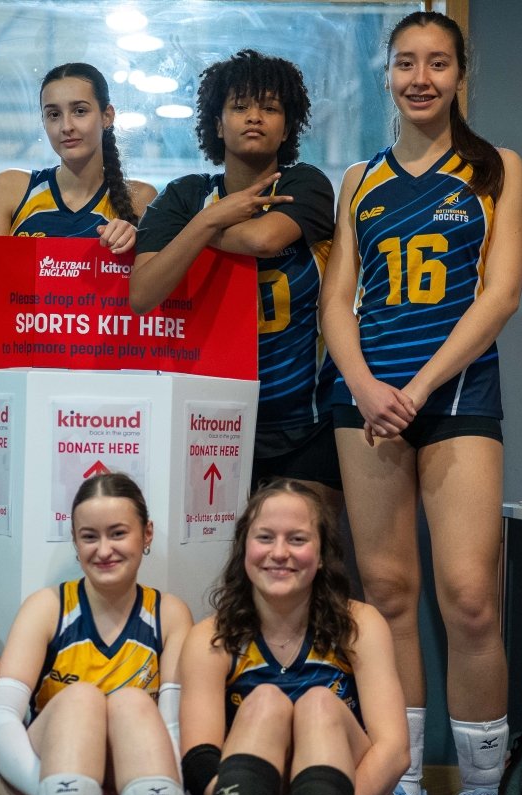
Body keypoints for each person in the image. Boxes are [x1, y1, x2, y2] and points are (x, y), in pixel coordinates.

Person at [317, 12, 522, 795]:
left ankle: (478, 788)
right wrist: (368, 388)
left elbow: (500, 295)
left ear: (459, 73)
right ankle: (400, 778)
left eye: (438, 63)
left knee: (470, 597)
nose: (421, 78)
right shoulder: (358, 179)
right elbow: (339, 302)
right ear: (387, 75)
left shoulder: (497, 166)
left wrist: (422, 385)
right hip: (366, 401)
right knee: (389, 594)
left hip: (457, 393)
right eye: (406, 63)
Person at [131, 50, 340, 508]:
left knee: (305, 560)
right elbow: (143, 292)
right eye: (240, 106)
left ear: (287, 127)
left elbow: (264, 239)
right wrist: (209, 220)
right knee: (215, 570)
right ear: (217, 123)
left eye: (270, 108)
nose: (255, 117)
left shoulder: (306, 184)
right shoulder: (186, 194)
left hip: (303, 422)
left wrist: (196, 229)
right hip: (207, 417)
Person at [177, 479, 408, 795]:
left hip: (347, 788)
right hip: (252, 787)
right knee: (265, 702)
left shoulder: (360, 624)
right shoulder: (211, 637)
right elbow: (199, 760)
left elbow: (394, 751)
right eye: (265, 538)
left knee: (319, 704)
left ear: (322, 553)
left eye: (297, 539)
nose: (280, 552)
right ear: (245, 547)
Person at [0, 473, 193, 795]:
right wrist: (51, 788)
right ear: (75, 541)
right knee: (82, 699)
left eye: (118, 533)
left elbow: (174, 732)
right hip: (47, 774)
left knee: (132, 703)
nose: (104, 550)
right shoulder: (47, 608)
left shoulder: (169, 614)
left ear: (146, 533)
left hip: (133, 776)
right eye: (89, 536)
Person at [0, 62, 156, 254]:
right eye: (54, 114)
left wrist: (134, 246)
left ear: (107, 116)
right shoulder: (10, 188)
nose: (66, 126)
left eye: (80, 111)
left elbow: (150, 290)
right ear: (43, 121)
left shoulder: (140, 197)